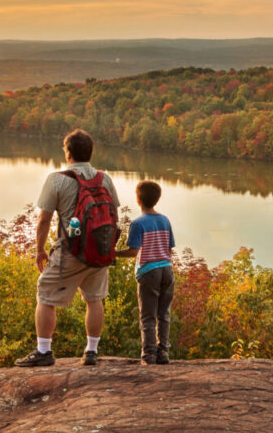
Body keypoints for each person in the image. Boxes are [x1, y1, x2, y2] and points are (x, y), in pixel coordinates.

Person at [14, 129, 119, 367]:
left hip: (70, 252)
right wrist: (106, 246)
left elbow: (44, 220)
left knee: (45, 293)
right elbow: (114, 215)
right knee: (95, 299)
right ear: (90, 153)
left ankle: (43, 352)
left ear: (68, 153)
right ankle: (91, 351)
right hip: (100, 251)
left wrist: (40, 249)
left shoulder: (57, 179)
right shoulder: (105, 179)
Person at [116, 179, 176, 365]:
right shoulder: (165, 220)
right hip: (167, 270)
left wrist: (113, 253)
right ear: (157, 199)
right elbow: (170, 248)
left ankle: (148, 354)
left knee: (148, 315)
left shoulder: (138, 223)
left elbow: (133, 252)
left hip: (149, 272)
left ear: (138, 199)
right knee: (164, 313)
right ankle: (163, 352)